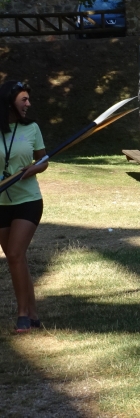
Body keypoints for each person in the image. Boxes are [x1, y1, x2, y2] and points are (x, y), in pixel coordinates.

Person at [0, 81, 48, 332]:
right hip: (1, 202)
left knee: (16, 254)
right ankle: (33, 314)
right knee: (15, 259)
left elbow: (43, 160)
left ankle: (22, 316)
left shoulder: (32, 129)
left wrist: (34, 169)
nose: (28, 104)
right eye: (24, 99)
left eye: (28, 99)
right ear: (10, 102)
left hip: (28, 200)